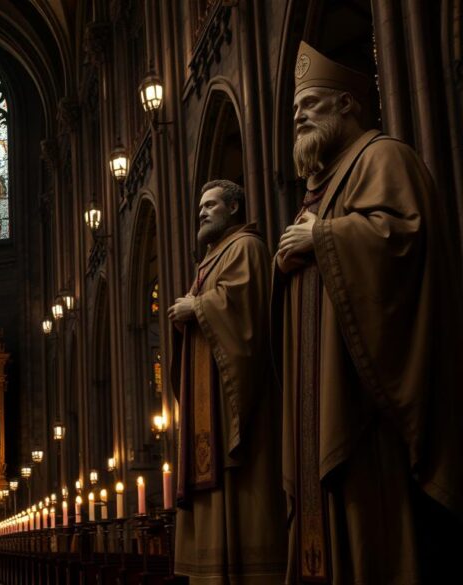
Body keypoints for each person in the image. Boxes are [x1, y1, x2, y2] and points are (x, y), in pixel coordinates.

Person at [274, 41, 463, 583]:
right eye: (294, 111)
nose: (299, 117)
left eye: (311, 104)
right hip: (320, 396)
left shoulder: (384, 157)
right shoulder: (325, 183)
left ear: (349, 104)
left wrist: (323, 236)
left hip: (365, 401)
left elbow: (404, 239)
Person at [168, 180, 285, 584]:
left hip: (232, 406)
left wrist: (197, 306)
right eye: (200, 206)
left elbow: (247, 318)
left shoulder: (247, 248)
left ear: (234, 208)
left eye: (211, 205)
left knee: (239, 488)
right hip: (206, 407)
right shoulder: (210, 261)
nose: (201, 212)